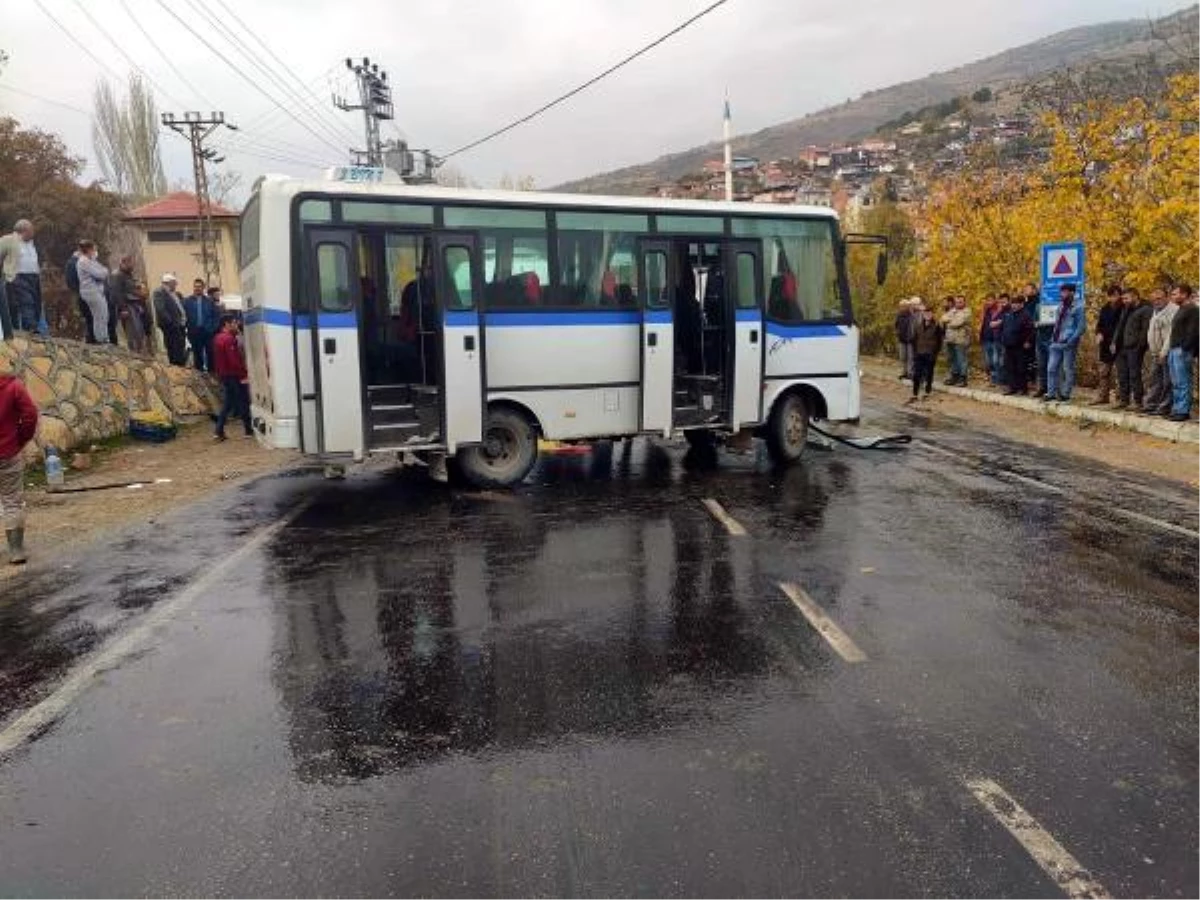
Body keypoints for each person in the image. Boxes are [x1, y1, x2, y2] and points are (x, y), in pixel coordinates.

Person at [0, 369, 38, 565]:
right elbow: (30, 414)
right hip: (7, 453)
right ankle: (16, 550)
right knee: (12, 501)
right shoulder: (13, 386)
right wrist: (21, 438)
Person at [1042, 283, 1086, 403]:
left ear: (1072, 292)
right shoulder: (1061, 306)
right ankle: (1051, 393)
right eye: (1062, 292)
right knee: (1051, 368)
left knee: (1067, 369)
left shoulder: (1079, 307)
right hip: (1056, 342)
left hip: (1068, 343)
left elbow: (1081, 327)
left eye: (1065, 292)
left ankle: (1065, 394)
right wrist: (1052, 338)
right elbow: (1057, 324)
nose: (1062, 294)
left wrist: (1071, 340)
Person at [0, 219, 44, 334]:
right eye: (31, 230)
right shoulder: (8, 240)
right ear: (25, 230)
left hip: (33, 277)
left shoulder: (31, 243)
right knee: (26, 301)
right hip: (18, 276)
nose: (33, 233)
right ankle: (31, 327)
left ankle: (29, 327)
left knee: (36, 302)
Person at [212, 314, 252, 440]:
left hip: (224, 375)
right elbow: (234, 360)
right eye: (234, 323)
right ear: (227, 324)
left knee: (228, 403)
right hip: (234, 375)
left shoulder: (217, 338)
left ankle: (219, 430)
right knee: (243, 401)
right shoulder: (229, 339)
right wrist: (244, 373)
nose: (236, 325)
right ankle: (248, 430)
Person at [1114, 287, 1152, 410]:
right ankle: (1124, 400)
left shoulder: (1146, 309)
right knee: (1122, 374)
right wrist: (1114, 342)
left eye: (1127, 298)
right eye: (1123, 298)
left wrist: (1139, 347)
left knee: (1134, 374)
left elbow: (1145, 330)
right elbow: (1120, 327)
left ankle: (1137, 401)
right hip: (1121, 347)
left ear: (1135, 296)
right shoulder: (1126, 309)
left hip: (1134, 348)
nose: (1124, 301)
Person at [1143, 288, 1178, 416]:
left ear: (1167, 297)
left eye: (1159, 298)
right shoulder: (1155, 311)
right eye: (1153, 299)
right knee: (1155, 380)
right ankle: (1151, 404)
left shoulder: (1173, 310)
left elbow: (1171, 334)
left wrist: (1164, 352)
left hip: (1166, 352)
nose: (1156, 301)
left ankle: (1165, 407)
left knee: (1167, 381)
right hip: (1155, 352)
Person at [1166, 284, 1197, 422]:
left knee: (1183, 381)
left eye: (1175, 294)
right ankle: (1177, 409)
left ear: (1184, 294)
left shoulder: (1193, 310)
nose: (1173, 296)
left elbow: (1193, 332)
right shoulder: (1181, 309)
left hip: (1182, 350)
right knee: (1176, 381)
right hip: (1174, 349)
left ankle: (1183, 411)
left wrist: (1185, 348)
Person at [1090, 285, 1124, 406]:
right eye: (1111, 296)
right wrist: (1099, 333)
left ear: (1120, 295)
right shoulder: (1105, 308)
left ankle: (1120, 398)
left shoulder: (1124, 308)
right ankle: (1103, 396)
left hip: (1120, 345)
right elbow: (1099, 324)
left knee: (1120, 373)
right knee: (1103, 372)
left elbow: (1122, 327)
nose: (1113, 298)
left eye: (1116, 295)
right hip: (1105, 345)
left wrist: (1115, 341)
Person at [109, 256, 149, 354]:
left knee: (139, 332)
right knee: (132, 333)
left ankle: (139, 352)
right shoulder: (117, 275)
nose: (132, 266)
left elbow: (131, 289)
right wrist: (123, 309)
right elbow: (116, 293)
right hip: (127, 307)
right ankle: (134, 352)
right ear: (123, 263)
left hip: (135, 307)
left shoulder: (128, 275)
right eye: (130, 263)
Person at [74, 241, 111, 344]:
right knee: (99, 316)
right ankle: (101, 339)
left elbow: (104, 270)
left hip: (98, 291)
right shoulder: (83, 261)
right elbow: (100, 274)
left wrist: (103, 272)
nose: (95, 251)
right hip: (91, 292)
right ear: (89, 249)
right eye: (94, 249)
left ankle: (104, 337)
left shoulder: (91, 260)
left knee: (104, 314)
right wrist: (103, 272)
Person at [907, 303, 942, 402]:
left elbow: (940, 342)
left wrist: (935, 353)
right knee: (917, 374)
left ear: (932, 314)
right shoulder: (919, 326)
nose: (928, 315)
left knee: (929, 374)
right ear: (923, 314)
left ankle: (927, 391)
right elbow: (914, 340)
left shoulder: (936, 326)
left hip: (930, 354)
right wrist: (915, 352)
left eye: (929, 313)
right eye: (926, 313)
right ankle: (915, 393)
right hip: (919, 353)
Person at [183, 278, 220, 372]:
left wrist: (212, 328)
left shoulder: (209, 301)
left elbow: (216, 316)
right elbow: (183, 316)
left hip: (207, 332)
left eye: (199, 287)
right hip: (194, 332)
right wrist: (187, 328)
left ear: (203, 288)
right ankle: (199, 376)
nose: (197, 288)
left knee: (210, 354)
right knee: (197, 355)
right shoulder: (187, 301)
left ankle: (212, 375)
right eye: (195, 286)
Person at [1001, 294, 1035, 395]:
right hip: (1008, 345)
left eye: (1016, 303)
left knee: (1021, 368)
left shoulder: (1026, 315)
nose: (1014, 305)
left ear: (1021, 304)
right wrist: (1003, 339)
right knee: (1010, 367)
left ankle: (1023, 389)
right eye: (1013, 303)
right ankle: (1012, 388)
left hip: (1020, 346)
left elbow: (1031, 330)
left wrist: (1028, 341)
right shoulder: (1008, 314)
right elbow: (1005, 327)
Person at [153, 273, 188, 365]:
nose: (176, 285)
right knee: (173, 347)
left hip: (178, 325)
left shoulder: (173, 293)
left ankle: (181, 364)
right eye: (174, 283)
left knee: (180, 346)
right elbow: (161, 309)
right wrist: (171, 322)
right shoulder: (159, 292)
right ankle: (176, 366)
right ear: (168, 283)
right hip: (170, 326)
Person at [64, 246, 95, 344]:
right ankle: (83, 338)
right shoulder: (73, 263)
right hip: (80, 294)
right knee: (81, 316)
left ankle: (89, 338)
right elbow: (71, 281)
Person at [941, 295, 971, 386]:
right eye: (957, 302)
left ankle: (963, 378)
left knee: (961, 359)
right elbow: (942, 318)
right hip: (950, 339)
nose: (958, 303)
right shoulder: (953, 310)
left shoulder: (967, 311)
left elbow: (958, 323)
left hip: (961, 340)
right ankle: (954, 376)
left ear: (964, 302)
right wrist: (951, 319)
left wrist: (949, 321)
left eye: (961, 302)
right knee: (952, 359)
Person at [895, 298, 916, 380]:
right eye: (901, 306)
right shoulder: (898, 315)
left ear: (908, 307)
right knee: (903, 357)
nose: (903, 307)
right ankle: (904, 372)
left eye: (905, 306)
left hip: (910, 339)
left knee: (910, 357)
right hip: (901, 339)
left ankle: (910, 373)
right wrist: (898, 333)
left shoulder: (912, 315)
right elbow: (896, 325)